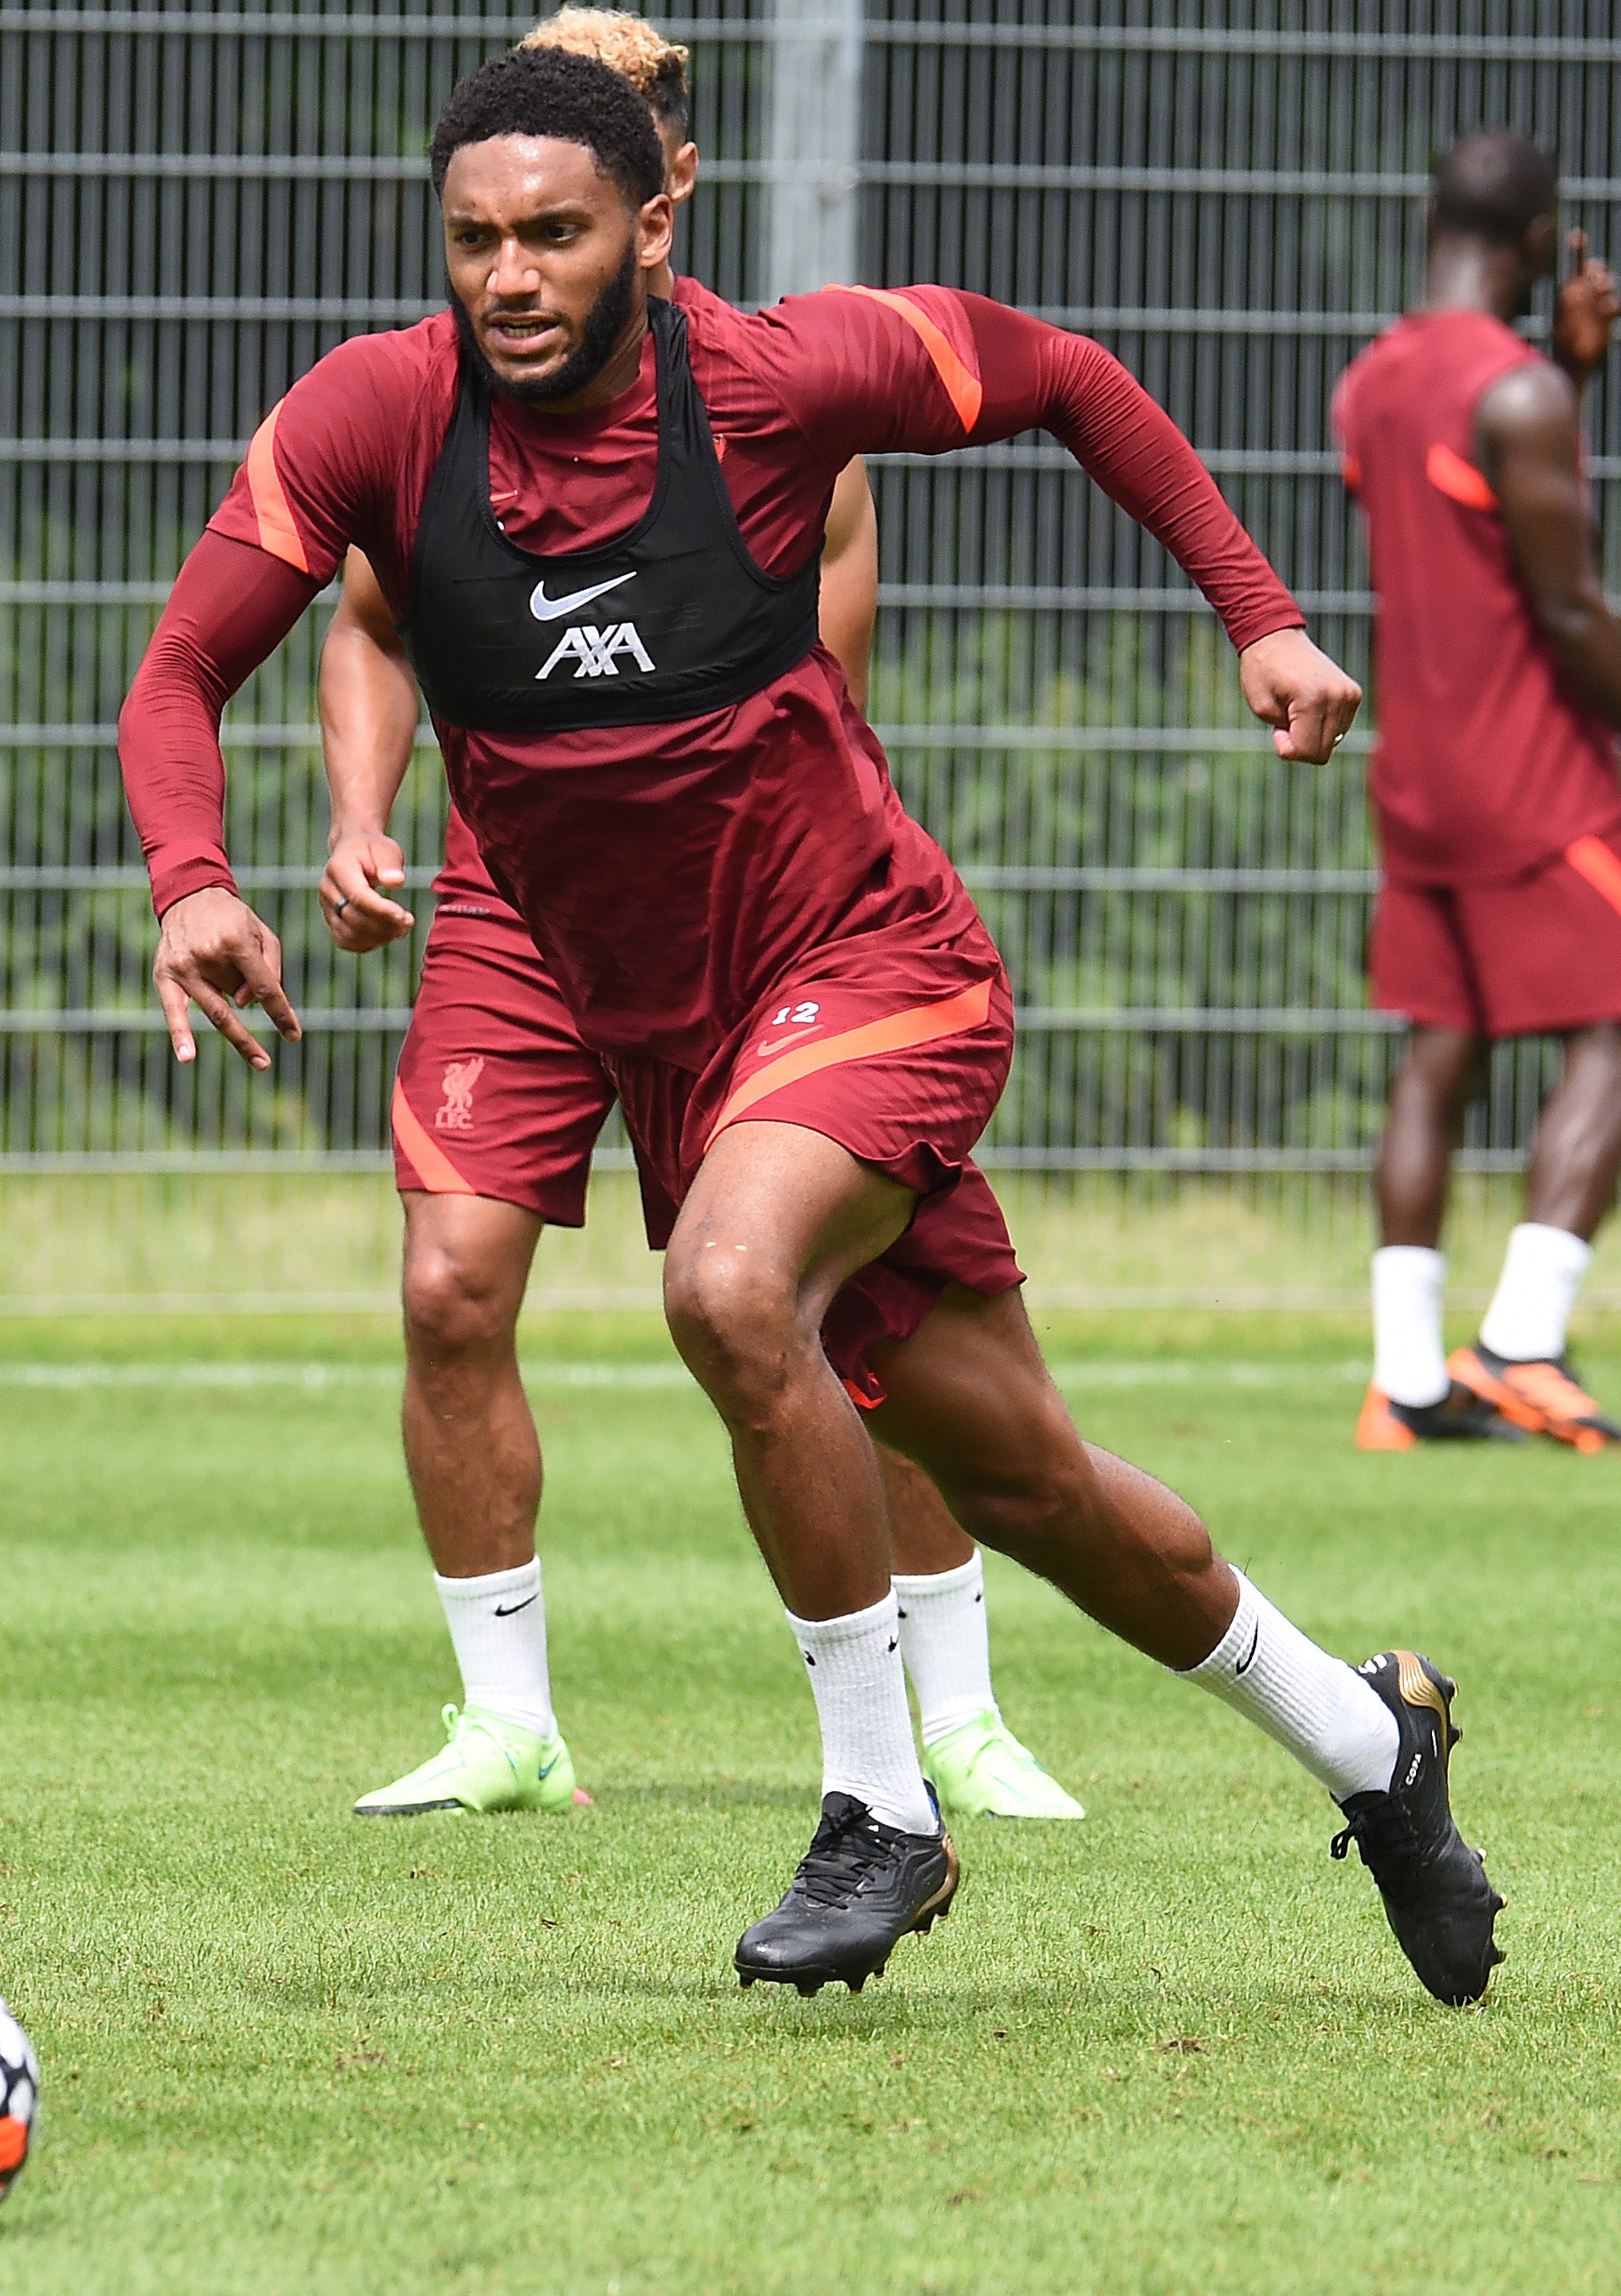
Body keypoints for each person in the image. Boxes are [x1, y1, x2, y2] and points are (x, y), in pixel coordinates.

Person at [122, 49, 1504, 2002]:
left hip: (876, 973)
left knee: (721, 1288)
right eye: (473, 242)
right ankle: (1377, 1746)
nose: (507, 278)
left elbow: (1064, 377)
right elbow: (177, 672)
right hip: (688, 1048)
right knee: (1033, 1487)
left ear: (651, 229)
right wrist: (193, 875)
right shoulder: (373, 415)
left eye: (553, 235)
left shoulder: (771, 379)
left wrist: (1255, 611)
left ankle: (879, 1813)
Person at [318, 8, 1081, 1830]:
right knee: (444, 1284)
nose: (524, 240)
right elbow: (363, 612)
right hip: (517, 893)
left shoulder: (773, 403)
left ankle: (951, 1708)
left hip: (745, 903)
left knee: (816, 1298)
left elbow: (802, 697)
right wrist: (355, 813)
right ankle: (505, 1719)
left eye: (619, 149)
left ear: (664, 186)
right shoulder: (433, 408)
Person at [1338, 129, 1621, 1456]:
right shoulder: (1518, 393)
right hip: (1536, 780)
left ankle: (1404, 1380)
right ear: (1545, 239)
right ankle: (1522, 1343)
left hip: (1418, 780)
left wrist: (1563, 371)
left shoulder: (1375, 382)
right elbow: (1564, 600)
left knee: (1439, 1054)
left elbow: (1466, 517)